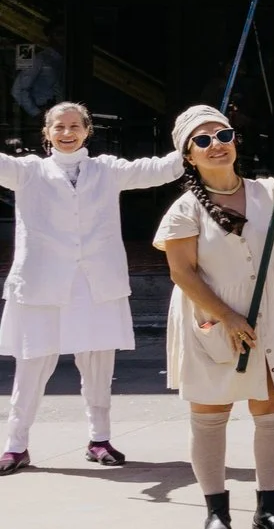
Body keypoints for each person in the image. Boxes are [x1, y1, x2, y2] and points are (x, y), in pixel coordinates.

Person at [157, 104, 274, 529]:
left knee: (272, 409)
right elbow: (182, 272)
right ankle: (216, 510)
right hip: (213, 317)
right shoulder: (185, 209)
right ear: (188, 155)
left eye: (224, 135)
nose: (217, 146)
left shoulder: (265, 191)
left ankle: (269, 508)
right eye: (204, 140)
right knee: (211, 413)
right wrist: (227, 316)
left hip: (270, 311)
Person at [0, 100, 184, 474]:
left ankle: (99, 439)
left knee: (98, 364)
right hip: (41, 284)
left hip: (95, 283)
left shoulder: (106, 170)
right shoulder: (27, 171)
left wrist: (195, 141)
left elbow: (160, 169)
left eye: (74, 126)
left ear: (87, 131)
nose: (67, 134)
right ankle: (16, 446)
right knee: (32, 364)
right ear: (46, 133)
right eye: (59, 127)